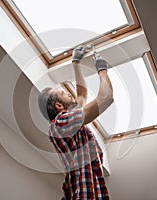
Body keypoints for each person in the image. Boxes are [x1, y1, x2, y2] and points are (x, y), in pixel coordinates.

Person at [38, 45, 114, 199]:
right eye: (63, 93)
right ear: (58, 106)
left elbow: (81, 96)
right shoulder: (60, 123)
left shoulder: (68, 123)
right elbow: (106, 97)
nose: (68, 93)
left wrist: (75, 63)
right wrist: (102, 69)